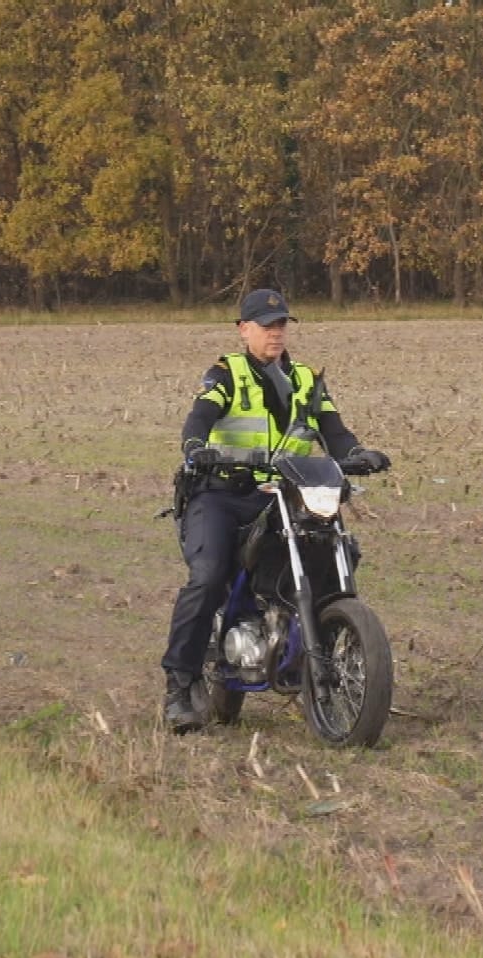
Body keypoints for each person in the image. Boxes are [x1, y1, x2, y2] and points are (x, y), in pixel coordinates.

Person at [159, 289, 391, 732]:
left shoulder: (306, 379)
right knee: (208, 578)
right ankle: (180, 683)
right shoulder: (226, 375)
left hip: (285, 493)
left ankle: (317, 648)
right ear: (244, 329)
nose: (276, 332)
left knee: (329, 548)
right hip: (222, 494)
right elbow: (199, 418)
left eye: (282, 323)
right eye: (267, 325)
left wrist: (358, 453)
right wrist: (196, 448)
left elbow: (334, 430)